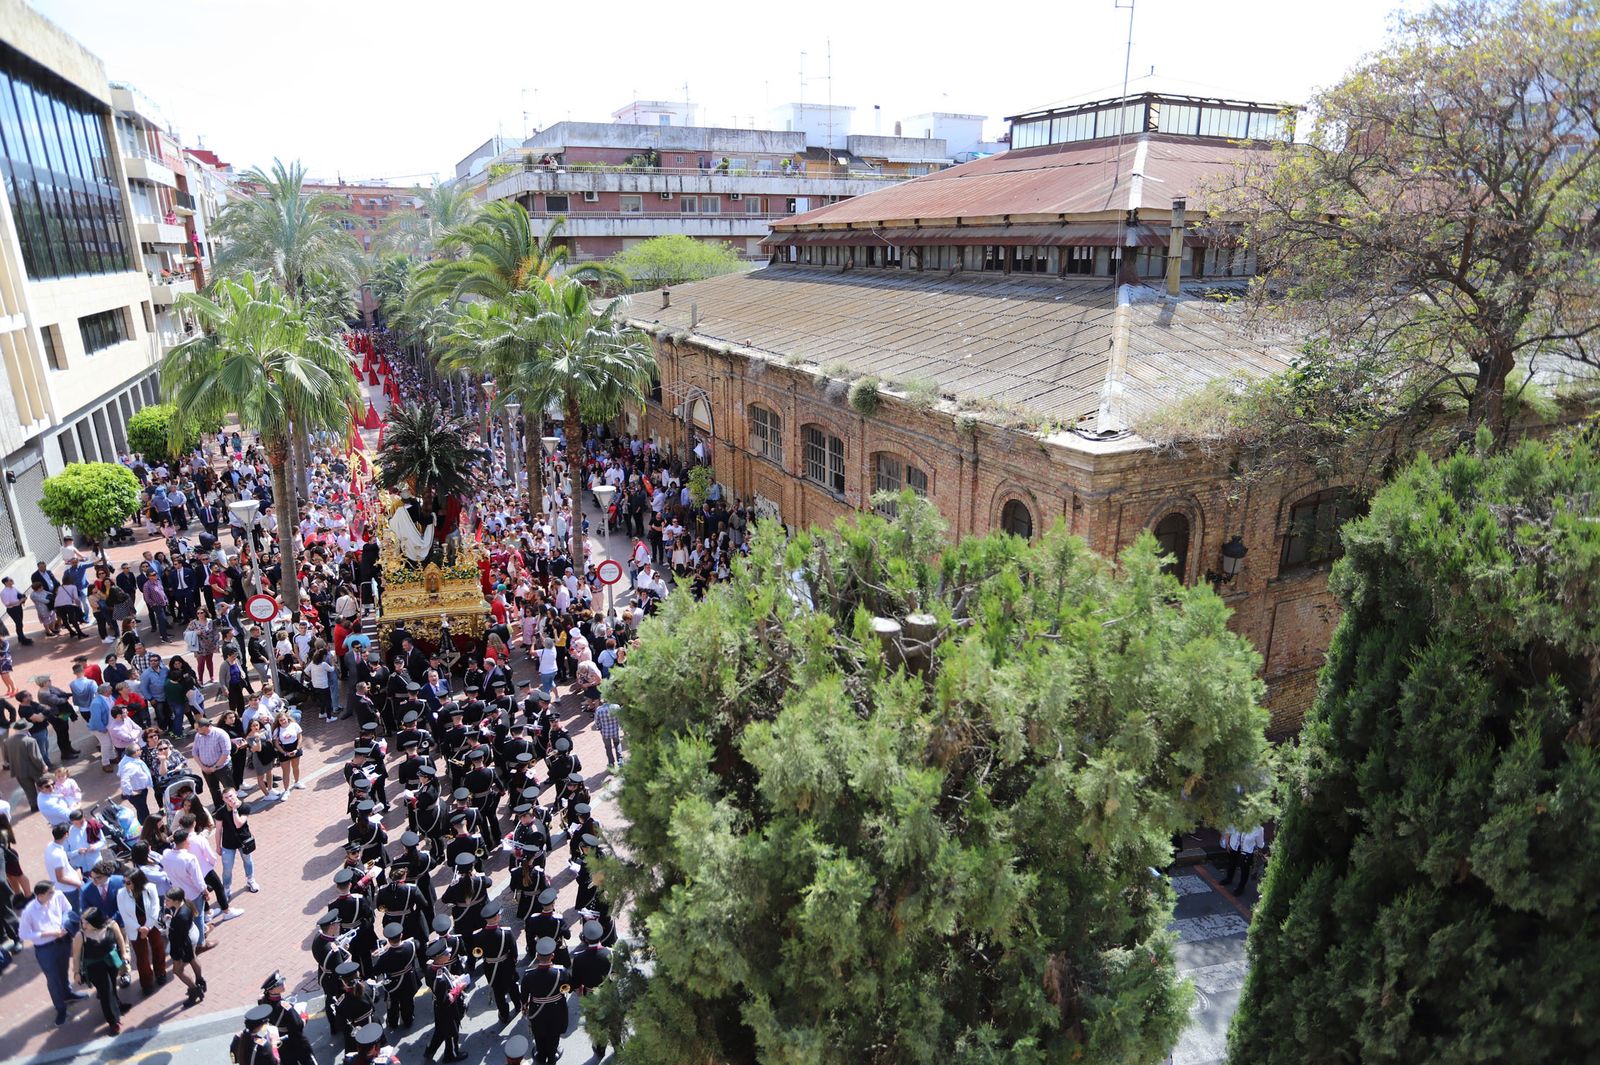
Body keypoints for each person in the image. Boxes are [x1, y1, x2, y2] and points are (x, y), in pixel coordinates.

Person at [20, 881, 87, 1024]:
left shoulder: (58, 895)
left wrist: (63, 925)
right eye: (50, 892)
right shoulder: (29, 912)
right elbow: (24, 934)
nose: (54, 894)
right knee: (53, 979)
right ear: (40, 895)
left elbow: (67, 910)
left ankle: (68, 994)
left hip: (63, 942)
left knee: (63, 971)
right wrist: (49, 934)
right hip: (45, 949)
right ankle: (61, 1009)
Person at [71, 907, 132, 1034]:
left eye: (87, 922)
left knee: (112, 986)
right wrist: (76, 972)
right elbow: (76, 956)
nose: (84, 925)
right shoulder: (81, 935)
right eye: (82, 922)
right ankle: (113, 1021)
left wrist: (125, 953)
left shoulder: (111, 925)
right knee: (105, 991)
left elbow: (120, 939)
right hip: (94, 966)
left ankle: (117, 1005)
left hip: (111, 961)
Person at [116, 863, 168, 993]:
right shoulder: (121, 894)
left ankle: (160, 972)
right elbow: (125, 915)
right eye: (124, 882)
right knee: (141, 955)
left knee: (157, 947)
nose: (125, 885)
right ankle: (146, 983)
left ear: (137, 882)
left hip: (151, 922)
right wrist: (140, 928)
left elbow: (156, 908)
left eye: (128, 882)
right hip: (135, 926)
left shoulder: (150, 888)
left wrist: (147, 927)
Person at [520, 936, 570, 1065]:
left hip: (537, 1010)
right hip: (557, 1008)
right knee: (554, 1033)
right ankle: (552, 1057)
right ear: (552, 955)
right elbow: (569, 988)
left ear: (537, 956)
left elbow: (524, 997)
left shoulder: (528, 974)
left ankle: (541, 1055)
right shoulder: (561, 971)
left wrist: (524, 1007)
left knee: (539, 1033)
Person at [423, 938, 467, 1062]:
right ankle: (451, 1055)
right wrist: (459, 988)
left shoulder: (432, 967)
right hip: (447, 1010)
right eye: (446, 953)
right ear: (439, 957)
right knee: (452, 1032)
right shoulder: (440, 979)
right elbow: (447, 1000)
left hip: (438, 1007)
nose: (449, 954)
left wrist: (453, 979)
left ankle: (429, 1051)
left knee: (440, 1031)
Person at [259, 969, 315, 1065]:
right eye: (279, 983)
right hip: (295, 1040)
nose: (283, 983)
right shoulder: (285, 1006)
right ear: (272, 990)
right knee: (307, 1060)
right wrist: (304, 1016)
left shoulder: (262, 1001)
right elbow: (299, 1025)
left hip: (279, 1039)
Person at [161, 885, 205, 1005]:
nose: (165, 902)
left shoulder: (180, 917)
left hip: (184, 941)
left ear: (176, 900)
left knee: (178, 970)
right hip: (191, 934)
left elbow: (179, 939)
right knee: (193, 958)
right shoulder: (185, 906)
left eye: (168, 900)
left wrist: (176, 954)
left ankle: (195, 990)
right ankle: (200, 981)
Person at [216, 787, 260, 895]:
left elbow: (239, 824)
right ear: (223, 799)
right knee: (227, 868)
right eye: (226, 798)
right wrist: (218, 846)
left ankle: (250, 880)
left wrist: (234, 809)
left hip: (243, 841)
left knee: (248, 861)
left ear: (236, 793)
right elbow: (218, 831)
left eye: (231, 795)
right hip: (228, 843)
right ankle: (226, 889)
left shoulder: (245, 807)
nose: (229, 799)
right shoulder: (221, 812)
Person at [193, 716, 234, 806]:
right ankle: (219, 808)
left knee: (228, 789)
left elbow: (225, 752)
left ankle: (233, 807)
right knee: (214, 789)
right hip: (206, 768)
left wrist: (215, 767)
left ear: (205, 727)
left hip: (223, 768)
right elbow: (194, 752)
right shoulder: (198, 736)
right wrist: (203, 767)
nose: (196, 731)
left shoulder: (220, 734)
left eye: (197, 729)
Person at [117, 741, 155, 822]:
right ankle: (147, 829)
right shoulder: (129, 766)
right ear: (135, 753)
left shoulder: (131, 759)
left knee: (142, 811)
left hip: (140, 791)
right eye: (139, 750)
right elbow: (124, 781)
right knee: (143, 813)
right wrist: (131, 792)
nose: (141, 751)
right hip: (137, 794)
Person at [273, 711, 303, 793]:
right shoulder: (277, 730)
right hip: (284, 751)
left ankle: (297, 782)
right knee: (286, 771)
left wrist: (296, 749)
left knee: (296, 767)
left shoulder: (294, 725)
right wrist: (284, 753)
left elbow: (300, 738)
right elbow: (276, 744)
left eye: (284, 719)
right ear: (278, 721)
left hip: (295, 748)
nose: (283, 722)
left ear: (287, 718)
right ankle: (286, 790)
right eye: (281, 720)